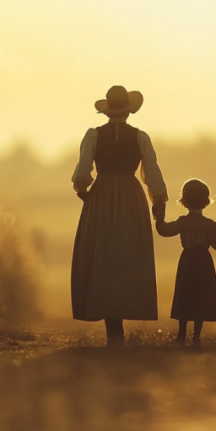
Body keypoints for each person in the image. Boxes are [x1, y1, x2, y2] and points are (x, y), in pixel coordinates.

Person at [71, 85, 168, 347]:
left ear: (107, 111)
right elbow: (153, 173)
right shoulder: (139, 137)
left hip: (102, 194)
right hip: (130, 194)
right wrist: (158, 201)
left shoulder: (94, 136)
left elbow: (81, 173)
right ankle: (119, 323)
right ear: (128, 111)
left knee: (102, 254)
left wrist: (84, 191)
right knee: (127, 254)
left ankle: (112, 326)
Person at [156, 179, 216, 346]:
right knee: (201, 297)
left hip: (187, 261)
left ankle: (181, 334)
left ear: (184, 200)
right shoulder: (209, 225)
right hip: (204, 262)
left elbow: (164, 231)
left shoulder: (183, 222)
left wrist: (159, 217)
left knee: (185, 294)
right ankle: (196, 337)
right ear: (206, 201)